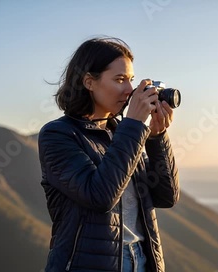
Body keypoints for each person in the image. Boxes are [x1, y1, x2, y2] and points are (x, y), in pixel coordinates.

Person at [37, 37, 180, 272]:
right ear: (89, 82)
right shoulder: (58, 135)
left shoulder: (121, 133)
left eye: (131, 80)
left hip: (143, 258)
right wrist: (134, 125)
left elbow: (166, 196)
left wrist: (156, 136)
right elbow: (100, 196)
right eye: (119, 79)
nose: (129, 90)